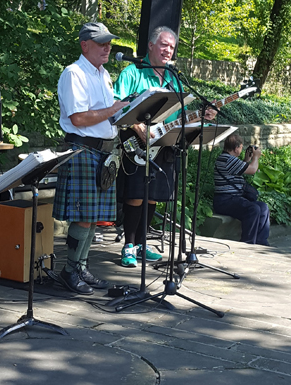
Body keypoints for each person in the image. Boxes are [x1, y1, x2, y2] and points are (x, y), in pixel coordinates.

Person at [113, 26, 216, 267]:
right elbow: (118, 106)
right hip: (136, 144)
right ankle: (128, 245)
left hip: (164, 145)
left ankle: (141, 244)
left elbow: (177, 116)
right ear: (150, 46)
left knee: (153, 197)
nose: (168, 50)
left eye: (171, 46)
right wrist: (141, 130)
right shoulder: (132, 73)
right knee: (136, 194)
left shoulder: (173, 79)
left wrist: (199, 116)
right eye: (163, 45)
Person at [53, 22, 129, 295]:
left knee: (94, 216)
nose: (108, 47)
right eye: (102, 43)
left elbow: (107, 113)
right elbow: (79, 118)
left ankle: (81, 266)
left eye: (109, 42)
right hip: (83, 149)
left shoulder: (104, 74)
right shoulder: (74, 74)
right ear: (85, 45)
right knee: (83, 216)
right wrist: (112, 110)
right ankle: (69, 270)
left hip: (103, 151)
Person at [213, 134, 270, 245]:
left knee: (263, 207)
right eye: (240, 147)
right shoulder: (227, 159)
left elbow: (242, 169)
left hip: (233, 199)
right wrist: (256, 157)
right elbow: (252, 170)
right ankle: (248, 243)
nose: (241, 150)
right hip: (225, 201)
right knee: (253, 209)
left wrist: (246, 159)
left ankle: (261, 242)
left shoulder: (229, 159)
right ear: (236, 148)